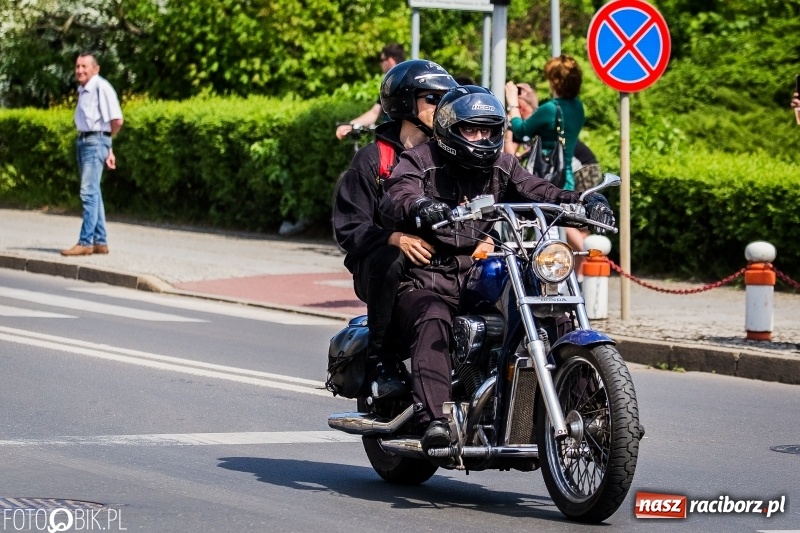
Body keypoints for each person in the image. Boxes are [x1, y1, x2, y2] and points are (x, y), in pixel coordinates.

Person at [378, 86, 614, 452]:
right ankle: (436, 419)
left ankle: (591, 408)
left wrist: (585, 200)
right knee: (432, 316)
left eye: (489, 130)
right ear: (450, 129)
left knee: (547, 291)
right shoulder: (421, 159)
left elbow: (542, 191)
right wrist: (421, 206)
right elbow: (398, 193)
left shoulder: (502, 165)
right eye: (472, 130)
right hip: (427, 276)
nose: (482, 138)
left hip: (474, 270)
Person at [332, 60, 458, 398]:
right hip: (379, 269)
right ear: (405, 102)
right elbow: (349, 228)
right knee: (390, 257)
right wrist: (394, 237)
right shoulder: (374, 159)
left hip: (439, 264)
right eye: (432, 98)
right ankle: (381, 360)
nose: (442, 105)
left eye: (447, 98)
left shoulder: (451, 158)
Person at [505, 56, 588, 274]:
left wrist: (513, 102)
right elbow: (550, 126)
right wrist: (535, 103)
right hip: (565, 177)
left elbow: (521, 131)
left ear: (555, 81)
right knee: (558, 235)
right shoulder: (577, 107)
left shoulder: (551, 109)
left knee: (543, 238)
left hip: (544, 180)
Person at [61, 52, 123, 256]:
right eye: (77, 66)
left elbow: (116, 120)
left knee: (88, 193)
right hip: (88, 140)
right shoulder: (84, 89)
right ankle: (100, 241)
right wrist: (108, 147)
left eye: (84, 66)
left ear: (95, 69)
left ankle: (85, 242)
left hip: (94, 141)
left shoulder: (100, 87)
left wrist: (104, 142)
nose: (79, 70)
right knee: (94, 192)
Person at [334, 44, 406, 140]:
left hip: (396, 139)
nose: (380, 64)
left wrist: (351, 126)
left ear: (390, 60)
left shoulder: (391, 82)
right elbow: (375, 112)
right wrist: (351, 125)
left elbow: (375, 113)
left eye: (381, 60)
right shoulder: (409, 79)